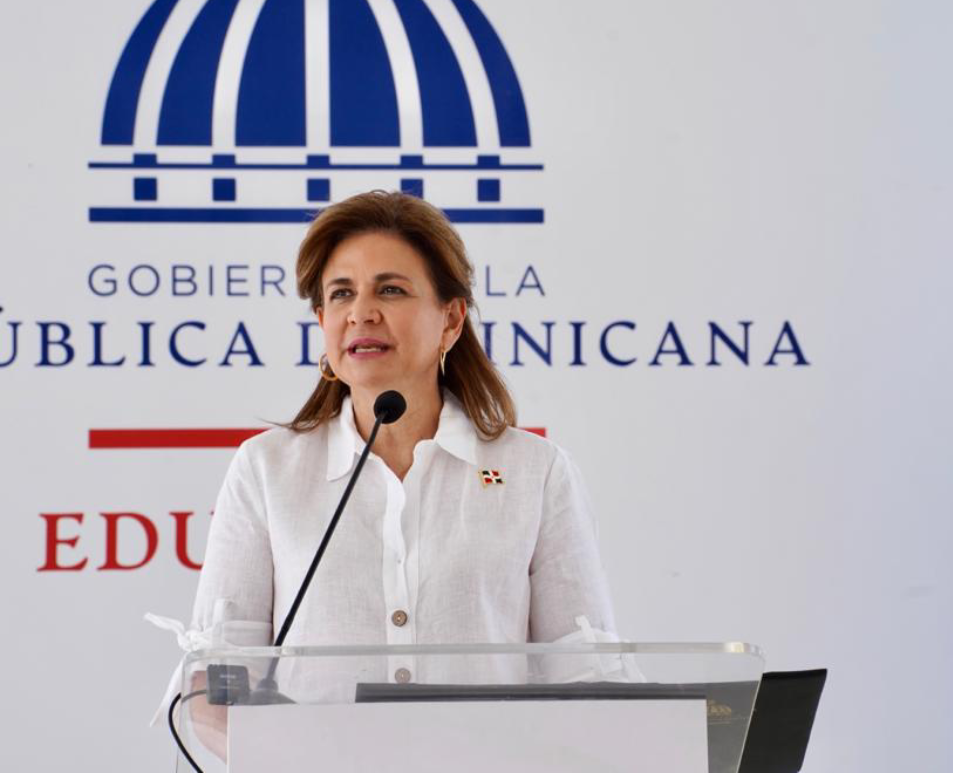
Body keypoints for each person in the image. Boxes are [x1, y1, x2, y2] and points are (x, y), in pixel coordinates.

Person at [160, 190, 620, 760]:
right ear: (323, 322)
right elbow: (218, 682)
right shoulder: (266, 469)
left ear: (451, 320)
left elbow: (585, 676)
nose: (361, 312)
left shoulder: (536, 472)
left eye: (391, 290)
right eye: (341, 294)